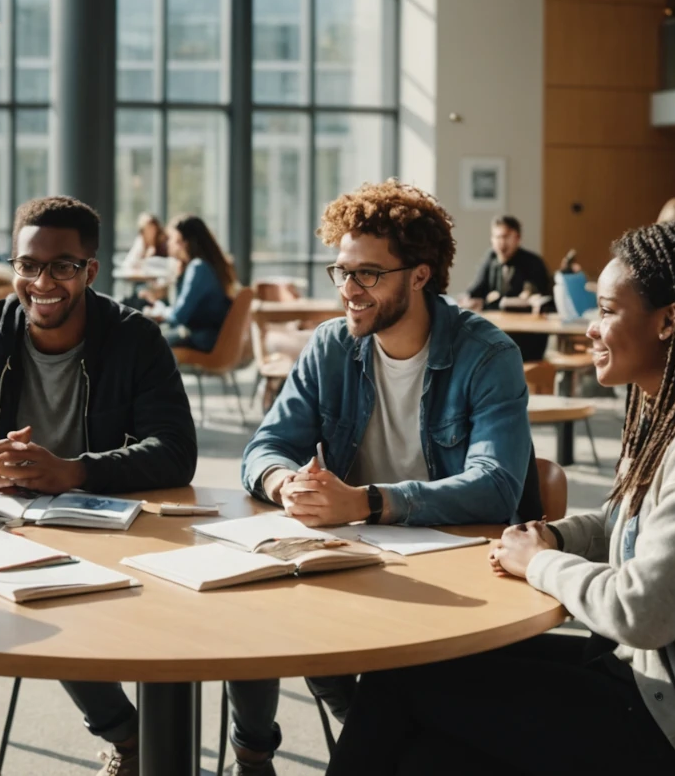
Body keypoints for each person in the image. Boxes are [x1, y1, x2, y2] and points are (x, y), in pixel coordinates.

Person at [331, 220, 675, 776]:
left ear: (670, 320)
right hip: (649, 682)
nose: (591, 329)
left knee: (402, 680)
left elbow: (641, 612)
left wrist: (539, 562)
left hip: (673, 724)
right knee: (422, 716)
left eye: (609, 311)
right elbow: (623, 521)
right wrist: (557, 536)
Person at [225, 180, 534, 776]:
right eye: (341, 273)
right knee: (259, 603)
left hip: (453, 572)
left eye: (367, 275)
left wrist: (367, 503)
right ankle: (264, 755)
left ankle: (383, 733)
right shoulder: (331, 347)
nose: (348, 291)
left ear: (419, 276)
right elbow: (263, 448)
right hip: (351, 560)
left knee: (371, 690)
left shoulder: (486, 355)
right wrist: (285, 483)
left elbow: (497, 485)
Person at [0, 196, 196, 776]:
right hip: (10, 535)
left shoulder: (133, 338)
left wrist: (74, 470)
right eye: (28, 265)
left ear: (90, 271)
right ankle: (130, 741)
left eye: (63, 267)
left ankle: (150, 743)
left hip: (122, 534)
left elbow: (175, 451)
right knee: (39, 596)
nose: (41, 281)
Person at [461, 214, 553, 362]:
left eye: (506, 237)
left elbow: (535, 299)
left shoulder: (533, 262)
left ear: (518, 238)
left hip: (527, 336)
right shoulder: (491, 258)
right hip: (498, 331)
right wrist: (468, 300)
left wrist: (488, 303)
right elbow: (474, 291)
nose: (501, 243)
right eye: (497, 237)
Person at [153, 215, 235, 352]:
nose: (168, 243)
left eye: (172, 239)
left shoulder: (198, 268)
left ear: (183, 242)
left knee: (142, 341)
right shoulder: (202, 266)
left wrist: (159, 312)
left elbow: (178, 317)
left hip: (202, 340)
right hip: (207, 337)